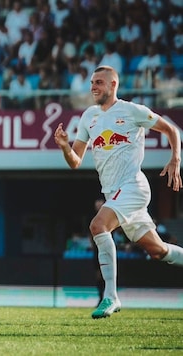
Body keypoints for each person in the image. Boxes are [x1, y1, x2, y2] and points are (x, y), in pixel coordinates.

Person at [54, 65, 183, 319]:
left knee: (97, 225)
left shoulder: (131, 110)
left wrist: (175, 158)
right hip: (115, 194)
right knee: (158, 251)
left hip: (134, 187)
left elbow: (172, 130)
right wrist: (64, 147)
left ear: (113, 85)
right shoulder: (89, 116)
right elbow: (75, 161)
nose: (93, 87)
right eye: (92, 82)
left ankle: (110, 296)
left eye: (99, 82)